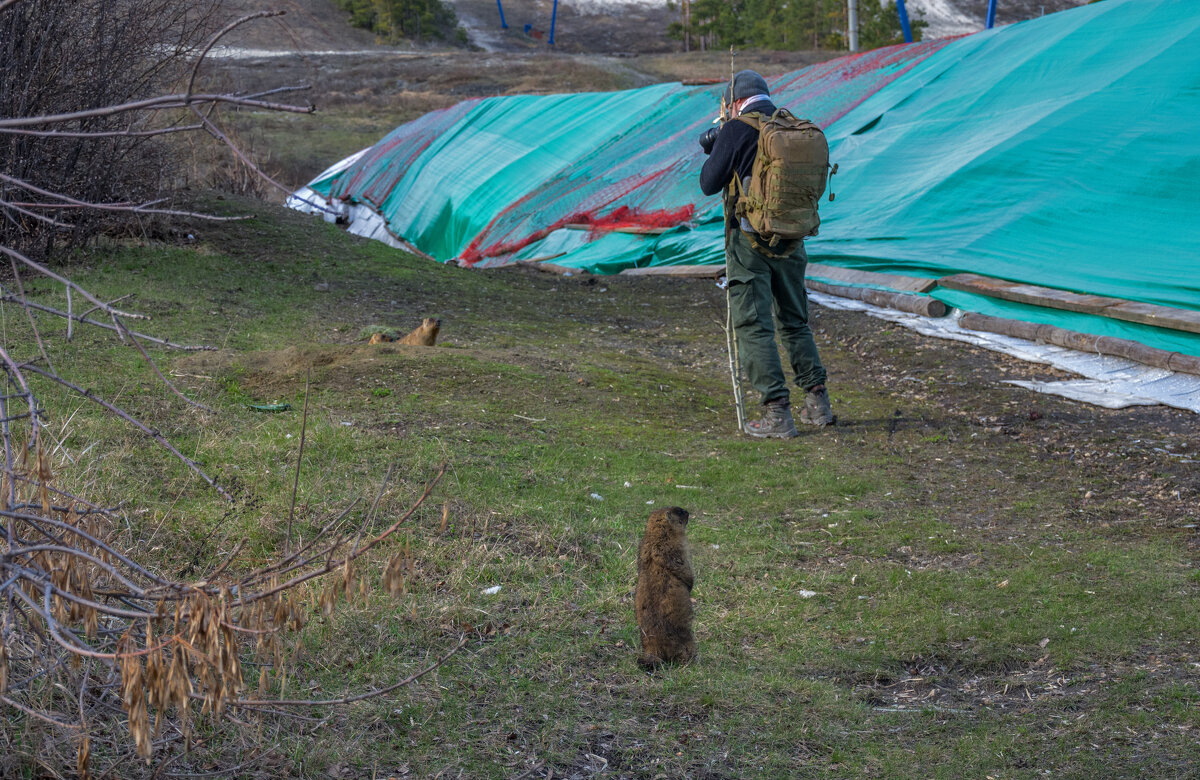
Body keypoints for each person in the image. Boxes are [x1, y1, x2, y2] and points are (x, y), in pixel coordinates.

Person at [698, 69, 834, 438]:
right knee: (794, 320)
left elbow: (709, 183)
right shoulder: (792, 126)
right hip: (793, 237)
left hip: (749, 242)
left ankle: (777, 414)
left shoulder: (737, 128)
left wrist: (716, 145)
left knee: (753, 324)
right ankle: (818, 403)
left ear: (735, 102)